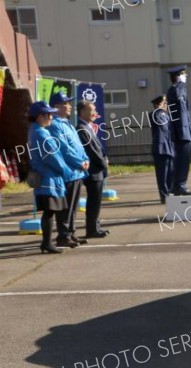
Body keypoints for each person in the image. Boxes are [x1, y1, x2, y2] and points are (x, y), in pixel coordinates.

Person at [27, 101, 72, 254]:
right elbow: (52, 157)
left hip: (45, 178)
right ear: (40, 116)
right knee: (49, 211)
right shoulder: (41, 134)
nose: (51, 117)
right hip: (49, 179)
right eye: (49, 114)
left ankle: (47, 242)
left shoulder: (34, 131)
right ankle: (47, 243)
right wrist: (66, 170)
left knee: (49, 211)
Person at [47, 92, 90, 248]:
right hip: (69, 171)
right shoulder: (55, 125)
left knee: (73, 205)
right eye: (66, 103)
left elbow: (78, 145)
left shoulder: (68, 123)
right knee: (66, 207)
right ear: (57, 107)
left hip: (77, 171)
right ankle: (63, 235)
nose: (70, 106)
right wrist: (80, 162)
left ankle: (71, 233)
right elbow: (64, 149)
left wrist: (85, 159)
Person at [76, 101, 110, 238]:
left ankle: (95, 227)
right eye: (90, 110)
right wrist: (104, 163)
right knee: (93, 201)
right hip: (93, 171)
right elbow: (92, 151)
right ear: (82, 111)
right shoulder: (81, 128)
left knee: (96, 201)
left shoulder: (87, 127)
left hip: (97, 170)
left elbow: (98, 148)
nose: (93, 113)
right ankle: (91, 230)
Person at [166, 65, 191, 196]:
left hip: (185, 132)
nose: (185, 77)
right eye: (183, 74)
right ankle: (180, 186)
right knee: (182, 161)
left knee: (184, 160)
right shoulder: (174, 90)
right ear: (178, 76)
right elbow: (177, 96)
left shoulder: (180, 89)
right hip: (180, 133)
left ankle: (179, 185)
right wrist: (180, 83)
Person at [150, 95, 174, 204]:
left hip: (169, 148)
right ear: (157, 104)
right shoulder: (154, 114)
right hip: (160, 148)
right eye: (163, 103)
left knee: (170, 173)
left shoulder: (167, 116)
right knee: (162, 175)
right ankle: (164, 196)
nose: (165, 105)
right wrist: (160, 108)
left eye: (165, 103)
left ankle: (170, 193)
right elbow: (161, 123)